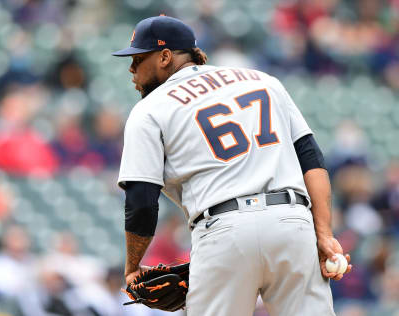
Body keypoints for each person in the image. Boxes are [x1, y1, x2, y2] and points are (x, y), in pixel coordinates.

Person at [112, 15, 352, 316]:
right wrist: (324, 235)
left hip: (223, 231)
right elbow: (311, 160)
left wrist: (133, 267)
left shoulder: (149, 109)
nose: (132, 69)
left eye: (137, 58)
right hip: (292, 223)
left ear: (164, 57)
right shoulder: (264, 81)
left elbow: (141, 201)